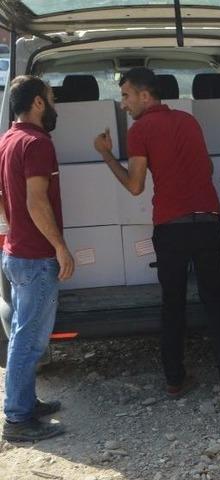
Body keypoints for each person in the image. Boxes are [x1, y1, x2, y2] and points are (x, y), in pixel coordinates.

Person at [92, 67, 220, 406]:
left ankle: (175, 380)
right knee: (216, 303)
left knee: (173, 303)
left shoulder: (140, 130)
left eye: (126, 96)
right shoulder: (189, 122)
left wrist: (105, 153)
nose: (123, 104)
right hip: (208, 222)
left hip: (171, 228)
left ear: (145, 96)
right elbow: (206, 169)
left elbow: (134, 186)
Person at [0, 76, 72, 442]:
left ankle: (26, 402)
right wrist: (59, 246)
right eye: (52, 97)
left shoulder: (8, 140)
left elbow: (4, 196)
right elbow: (35, 201)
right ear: (39, 103)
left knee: (22, 334)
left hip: (16, 252)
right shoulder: (37, 142)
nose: (55, 102)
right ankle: (16, 419)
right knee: (28, 340)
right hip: (34, 256)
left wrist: (15, 229)